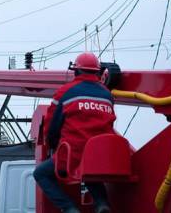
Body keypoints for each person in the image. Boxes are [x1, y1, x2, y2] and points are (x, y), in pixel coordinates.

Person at [33, 52, 115, 213]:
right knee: (91, 170)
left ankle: (69, 208)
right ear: (97, 72)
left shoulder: (65, 92)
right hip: (101, 155)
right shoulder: (107, 95)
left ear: (76, 71)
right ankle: (102, 204)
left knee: (41, 174)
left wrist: (53, 146)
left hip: (73, 155)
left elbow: (51, 126)